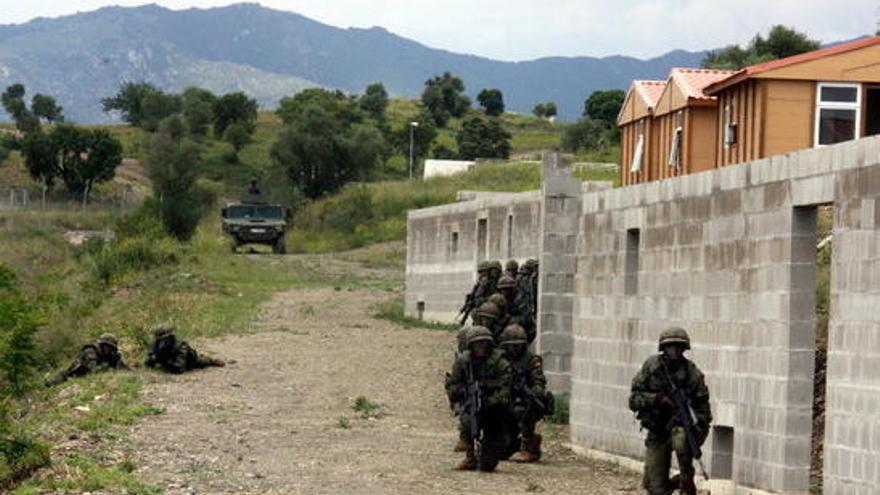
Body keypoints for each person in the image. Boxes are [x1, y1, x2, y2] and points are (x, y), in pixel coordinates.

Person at [628, 327, 712, 495]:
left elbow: (705, 415)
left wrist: (694, 432)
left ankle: (686, 479)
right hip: (657, 430)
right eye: (670, 346)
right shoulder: (652, 367)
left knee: (681, 440)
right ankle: (672, 481)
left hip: (680, 429)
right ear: (663, 348)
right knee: (655, 489)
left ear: (684, 349)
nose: (674, 351)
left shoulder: (693, 375)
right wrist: (657, 399)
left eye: (678, 347)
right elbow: (633, 400)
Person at [445, 326, 513, 471]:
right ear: (471, 345)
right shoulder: (464, 361)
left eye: (484, 343)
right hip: (472, 405)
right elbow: (452, 384)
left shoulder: (500, 363)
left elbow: (507, 390)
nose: (481, 347)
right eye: (477, 343)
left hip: (495, 410)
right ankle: (470, 455)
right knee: (468, 421)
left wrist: (490, 402)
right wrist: (461, 393)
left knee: (488, 464)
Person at [498, 324, 553, 463]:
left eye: (518, 345)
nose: (514, 349)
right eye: (511, 345)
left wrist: (534, 391)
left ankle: (529, 443)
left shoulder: (531, 360)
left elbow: (538, 381)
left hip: (522, 401)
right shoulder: (499, 358)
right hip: (504, 398)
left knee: (523, 409)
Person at [46, 333, 129, 386]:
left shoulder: (108, 354)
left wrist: (118, 362)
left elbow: (123, 368)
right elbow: (93, 370)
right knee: (51, 384)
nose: (110, 350)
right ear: (103, 345)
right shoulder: (90, 351)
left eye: (112, 348)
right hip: (69, 376)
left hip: (83, 378)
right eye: (109, 347)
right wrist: (108, 367)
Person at [145, 325, 226, 374]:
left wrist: (165, 361)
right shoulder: (155, 343)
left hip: (189, 360)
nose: (162, 342)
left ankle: (212, 361)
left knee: (201, 361)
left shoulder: (180, 346)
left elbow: (179, 368)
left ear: (170, 338)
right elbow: (149, 360)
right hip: (170, 359)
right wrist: (153, 359)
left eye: (164, 339)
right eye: (159, 339)